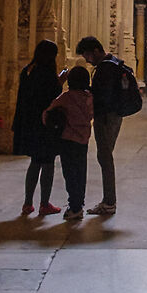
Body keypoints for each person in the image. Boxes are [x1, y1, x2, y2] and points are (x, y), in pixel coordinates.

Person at [76, 33, 131, 216]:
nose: (88, 60)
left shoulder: (105, 69)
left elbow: (103, 96)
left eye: (88, 56)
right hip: (113, 115)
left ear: (96, 50)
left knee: (105, 158)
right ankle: (108, 200)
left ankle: (109, 202)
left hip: (106, 117)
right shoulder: (113, 62)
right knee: (104, 157)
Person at [12, 38, 62, 220]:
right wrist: (60, 81)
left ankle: (27, 203)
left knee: (35, 163)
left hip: (29, 123)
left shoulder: (28, 70)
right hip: (44, 124)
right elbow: (51, 96)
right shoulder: (46, 73)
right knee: (48, 164)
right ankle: (44, 203)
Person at [43, 63, 94, 225]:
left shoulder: (66, 97)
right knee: (81, 172)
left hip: (67, 140)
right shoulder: (89, 98)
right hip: (83, 139)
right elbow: (92, 114)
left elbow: (47, 114)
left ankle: (74, 205)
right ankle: (79, 204)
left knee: (70, 173)